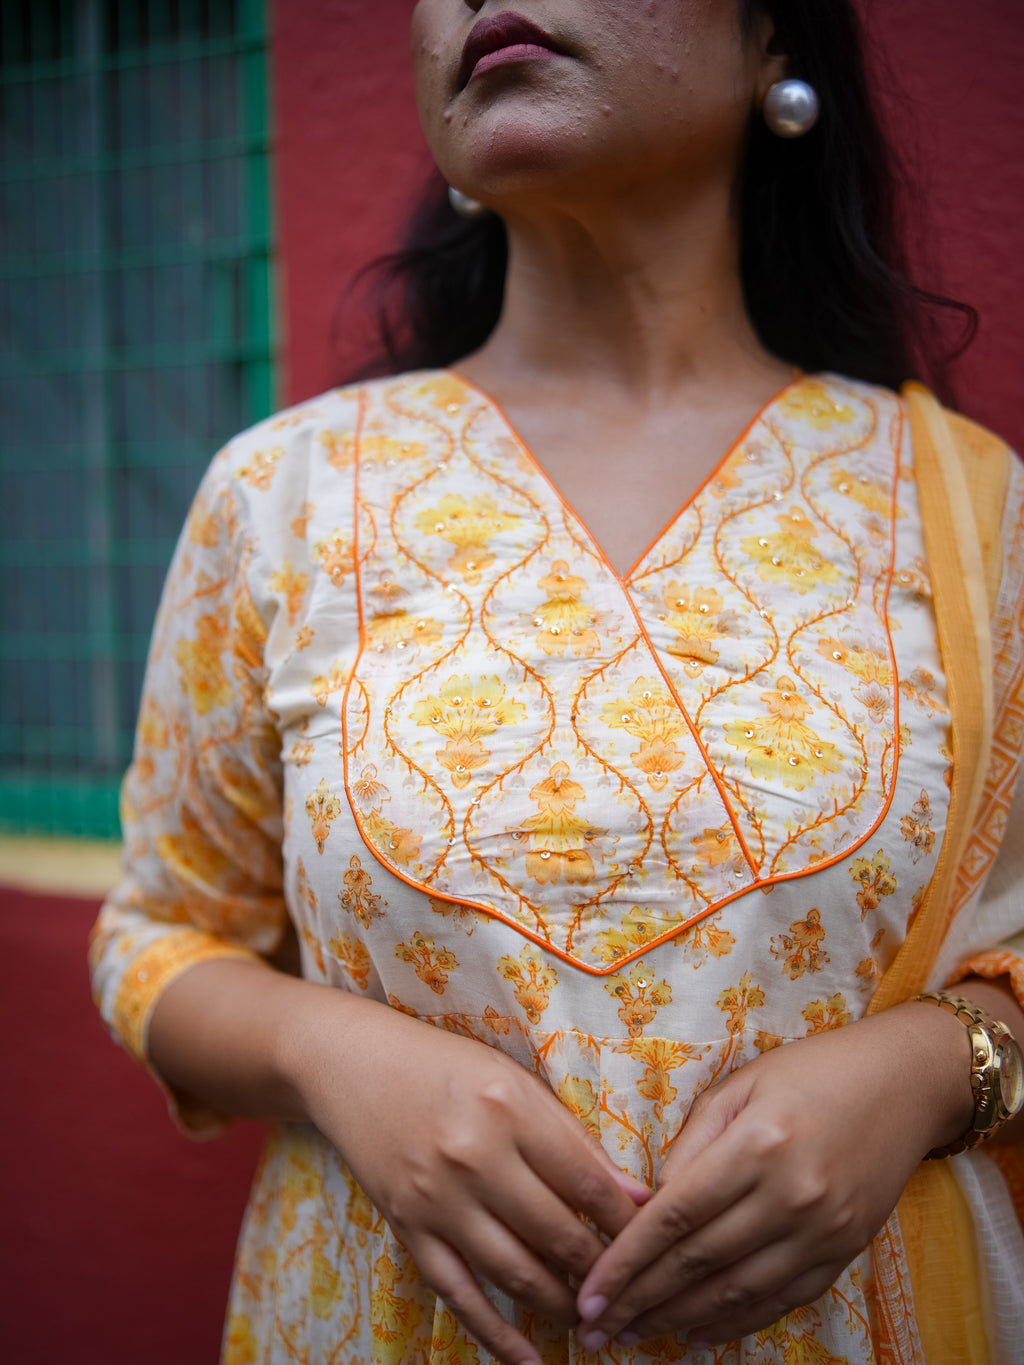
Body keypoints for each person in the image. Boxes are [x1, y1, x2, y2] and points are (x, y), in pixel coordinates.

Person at [89, 2, 1024, 1362]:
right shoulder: (284, 495)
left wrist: (939, 1069)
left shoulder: (970, 513)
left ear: (775, 42)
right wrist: (334, 1060)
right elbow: (155, 936)